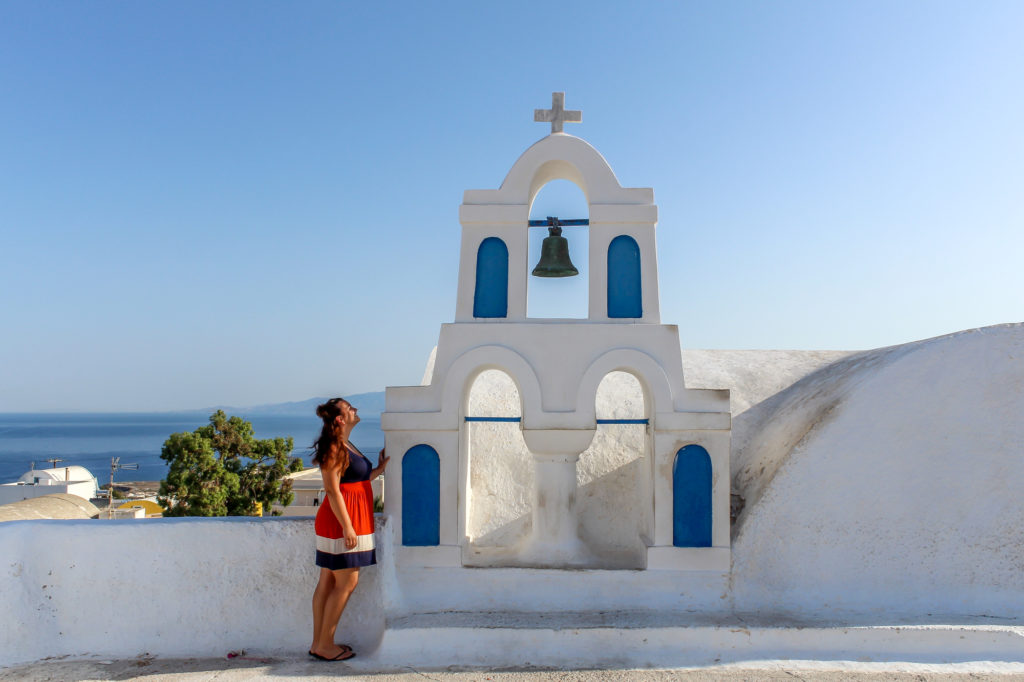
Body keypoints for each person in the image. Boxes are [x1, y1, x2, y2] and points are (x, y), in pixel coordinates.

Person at [308, 397, 389, 661]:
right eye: (349, 408)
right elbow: (332, 490)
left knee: (329, 581)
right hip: (342, 522)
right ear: (340, 419)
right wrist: (348, 528)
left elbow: (354, 482)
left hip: (349, 520)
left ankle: (319, 643)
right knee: (346, 582)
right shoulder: (333, 447)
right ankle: (325, 645)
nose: (355, 410)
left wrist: (378, 470)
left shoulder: (344, 444)